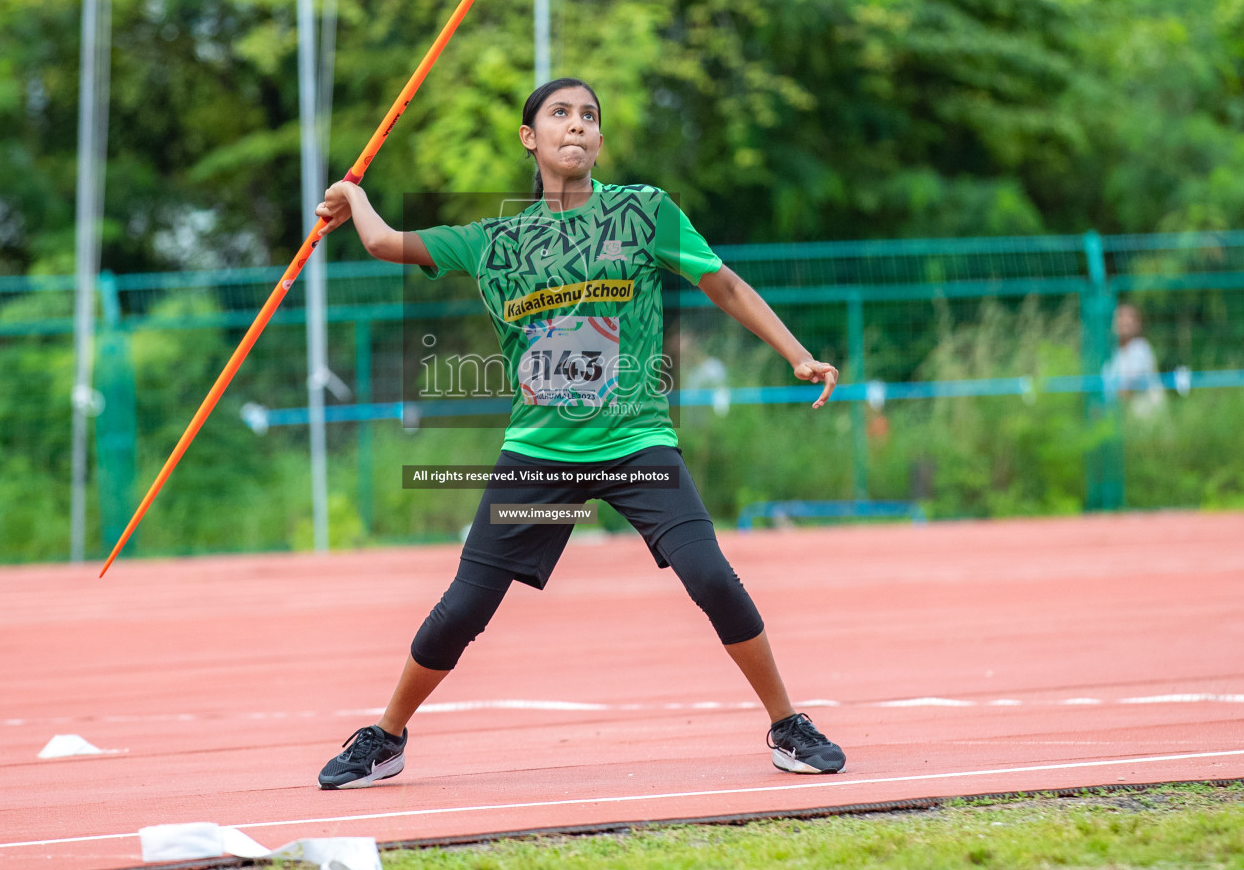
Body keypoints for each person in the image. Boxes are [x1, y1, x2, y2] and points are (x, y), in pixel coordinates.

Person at [310, 77, 846, 789]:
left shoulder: (642, 211)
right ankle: (385, 736)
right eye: (560, 114)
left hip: (636, 444)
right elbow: (382, 242)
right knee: (463, 608)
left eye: (589, 116)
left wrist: (796, 352)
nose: (578, 126)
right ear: (531, 138)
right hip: (540, 457)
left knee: (711, 575)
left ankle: (787, 725)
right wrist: (354, 199)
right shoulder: (493, 240)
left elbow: (724, 284)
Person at [1106, 303, 1165, 418]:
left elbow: (1129, 387)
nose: (1123, 321)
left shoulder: (1140, 348)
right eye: (1120, 317)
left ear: (1137, 325)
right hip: (1126, 413)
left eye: (1128, 318)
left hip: (1143, 413)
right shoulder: (1116, 353)